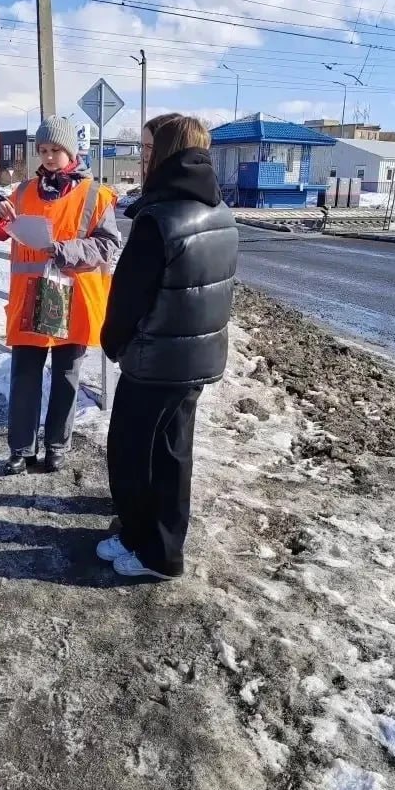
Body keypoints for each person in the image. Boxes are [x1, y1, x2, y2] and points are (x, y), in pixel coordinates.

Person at [98, 114, 238, 580]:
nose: (141, 157)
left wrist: (114, 343)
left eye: (145, 149)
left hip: (155, 359)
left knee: (133, 455)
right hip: (195, 360)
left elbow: (128, 299)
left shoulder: (159, 217)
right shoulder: (218, 209)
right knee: (173, 454)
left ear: (168, 152)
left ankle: (150, 549)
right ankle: (163, 542)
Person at [0, 115, 121, 475]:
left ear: (70, 152)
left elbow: (106, 247)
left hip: (74, 298)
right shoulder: (24, 192)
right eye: (42, 150)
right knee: (24, 376)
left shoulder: (96, 194)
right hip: (30, 298)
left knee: (66, 376)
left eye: (55, 150)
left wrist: (63, 250)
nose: (47, 156)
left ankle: (57, 446)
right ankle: (21, 449)